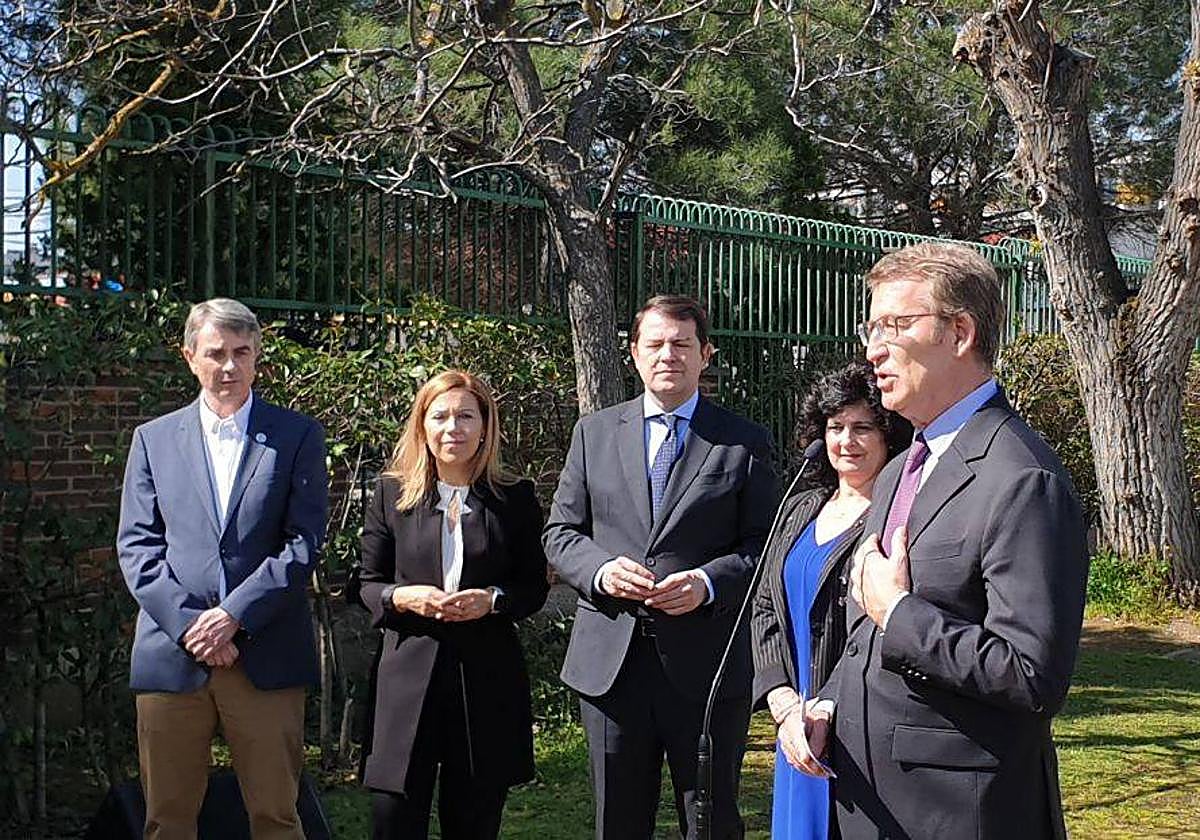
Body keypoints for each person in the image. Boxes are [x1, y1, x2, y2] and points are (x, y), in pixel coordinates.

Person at [799, 242, 1088, 839]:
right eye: (871, 327)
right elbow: (866, 637)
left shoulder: (1021, 477)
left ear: (960, 332)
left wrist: (898, 612)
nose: (873, 349)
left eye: (895, 325)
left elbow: (1030, 675)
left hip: (957, 813)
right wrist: (828, 702)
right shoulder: (900, 468)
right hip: (866, 799)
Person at [543, 295, 780, 839]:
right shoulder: (594, 434)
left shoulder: (743, 441)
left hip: (705, 667)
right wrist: (602, 571)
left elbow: (764, 543)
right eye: (654, 344)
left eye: (681, 344)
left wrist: (707, 582)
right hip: (613, 667)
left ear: (705, 354)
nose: (667, 355)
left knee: (710, 821)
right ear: (633, 354)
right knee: (618, 822)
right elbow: (560, 533)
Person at [116, 298, 328, 840]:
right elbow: (137, 547)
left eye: (242, 352)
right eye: (216, 353)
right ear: (190, 357)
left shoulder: (298, 435)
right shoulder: (153, 440)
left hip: (266, 654)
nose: (229, 366)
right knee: (167, 822)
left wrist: (234, 615)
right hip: (173, 656)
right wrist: (193, 625)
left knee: (276, 818)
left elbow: (303, 542)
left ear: (257, 357)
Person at [356, 370, 549, 840]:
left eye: (466, 416)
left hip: (484, 681)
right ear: (422, 426)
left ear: (485, 426)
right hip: (406, 681)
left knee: (474, 823)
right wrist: (402, 597)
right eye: (440, 416)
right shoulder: (392, 494)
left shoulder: (515, 498)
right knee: (394, 822)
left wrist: (492, 600)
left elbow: (532, 586)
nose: (453, 428)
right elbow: (366, 584)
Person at [750, 362, 910, 840]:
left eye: (863, 427)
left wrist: (827, 705)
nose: (847, 441)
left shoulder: (896, 520)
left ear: (888, 435)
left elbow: (881, 626)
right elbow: (764, 605)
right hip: (795, 727)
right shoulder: (800, 507)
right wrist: (782, 701)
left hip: (856, 725)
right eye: (836, 427)